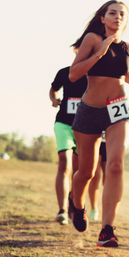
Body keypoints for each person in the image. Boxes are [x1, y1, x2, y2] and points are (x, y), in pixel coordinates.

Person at [68, 0, 129, 247]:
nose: (117, 17)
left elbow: (121, 73)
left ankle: (107, 229)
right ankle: (77, 204)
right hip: (90, 111)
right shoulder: (93, 39)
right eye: (112, 13)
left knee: (115, 165)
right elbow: (74, 74)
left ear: (126, 20)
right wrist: (99, 52)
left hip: (119, 109)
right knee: (86, 172)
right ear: (103, 18)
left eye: (122, 14)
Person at [49, 66, 87, 225]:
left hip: (85, 126)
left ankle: (73, 198)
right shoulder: (65, 72)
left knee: (79, 169)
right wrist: (54, 99)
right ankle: (62, 210)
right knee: (64, 164)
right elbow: (53, 89)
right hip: (63, 123)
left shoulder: (94, 73)